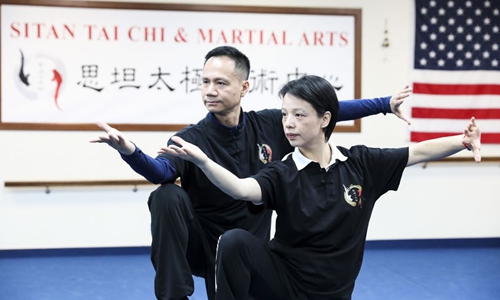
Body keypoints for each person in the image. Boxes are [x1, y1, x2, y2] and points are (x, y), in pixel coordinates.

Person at [91, 46, 411, 300]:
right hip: (201, 245)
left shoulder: (271, 123)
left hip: (243, 248)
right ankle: (174, 296)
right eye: (205, 82)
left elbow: (323, 109)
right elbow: (161, 171)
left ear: (244, 87)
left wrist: (384, 103)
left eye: (220, 82)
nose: (210, 90)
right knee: (167, 194)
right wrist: (130, 152)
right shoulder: (190, 138)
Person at [160, 75, 481, 300]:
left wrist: (463, 141)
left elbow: (419, 152)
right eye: (285, 114)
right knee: (233, 242)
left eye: (299, 115)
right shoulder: (281, 172)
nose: (288, 123)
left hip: (332, 291)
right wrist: (202, 160)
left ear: (325, 119)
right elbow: (243, 190)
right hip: (282, 284)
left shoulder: (362, 163)